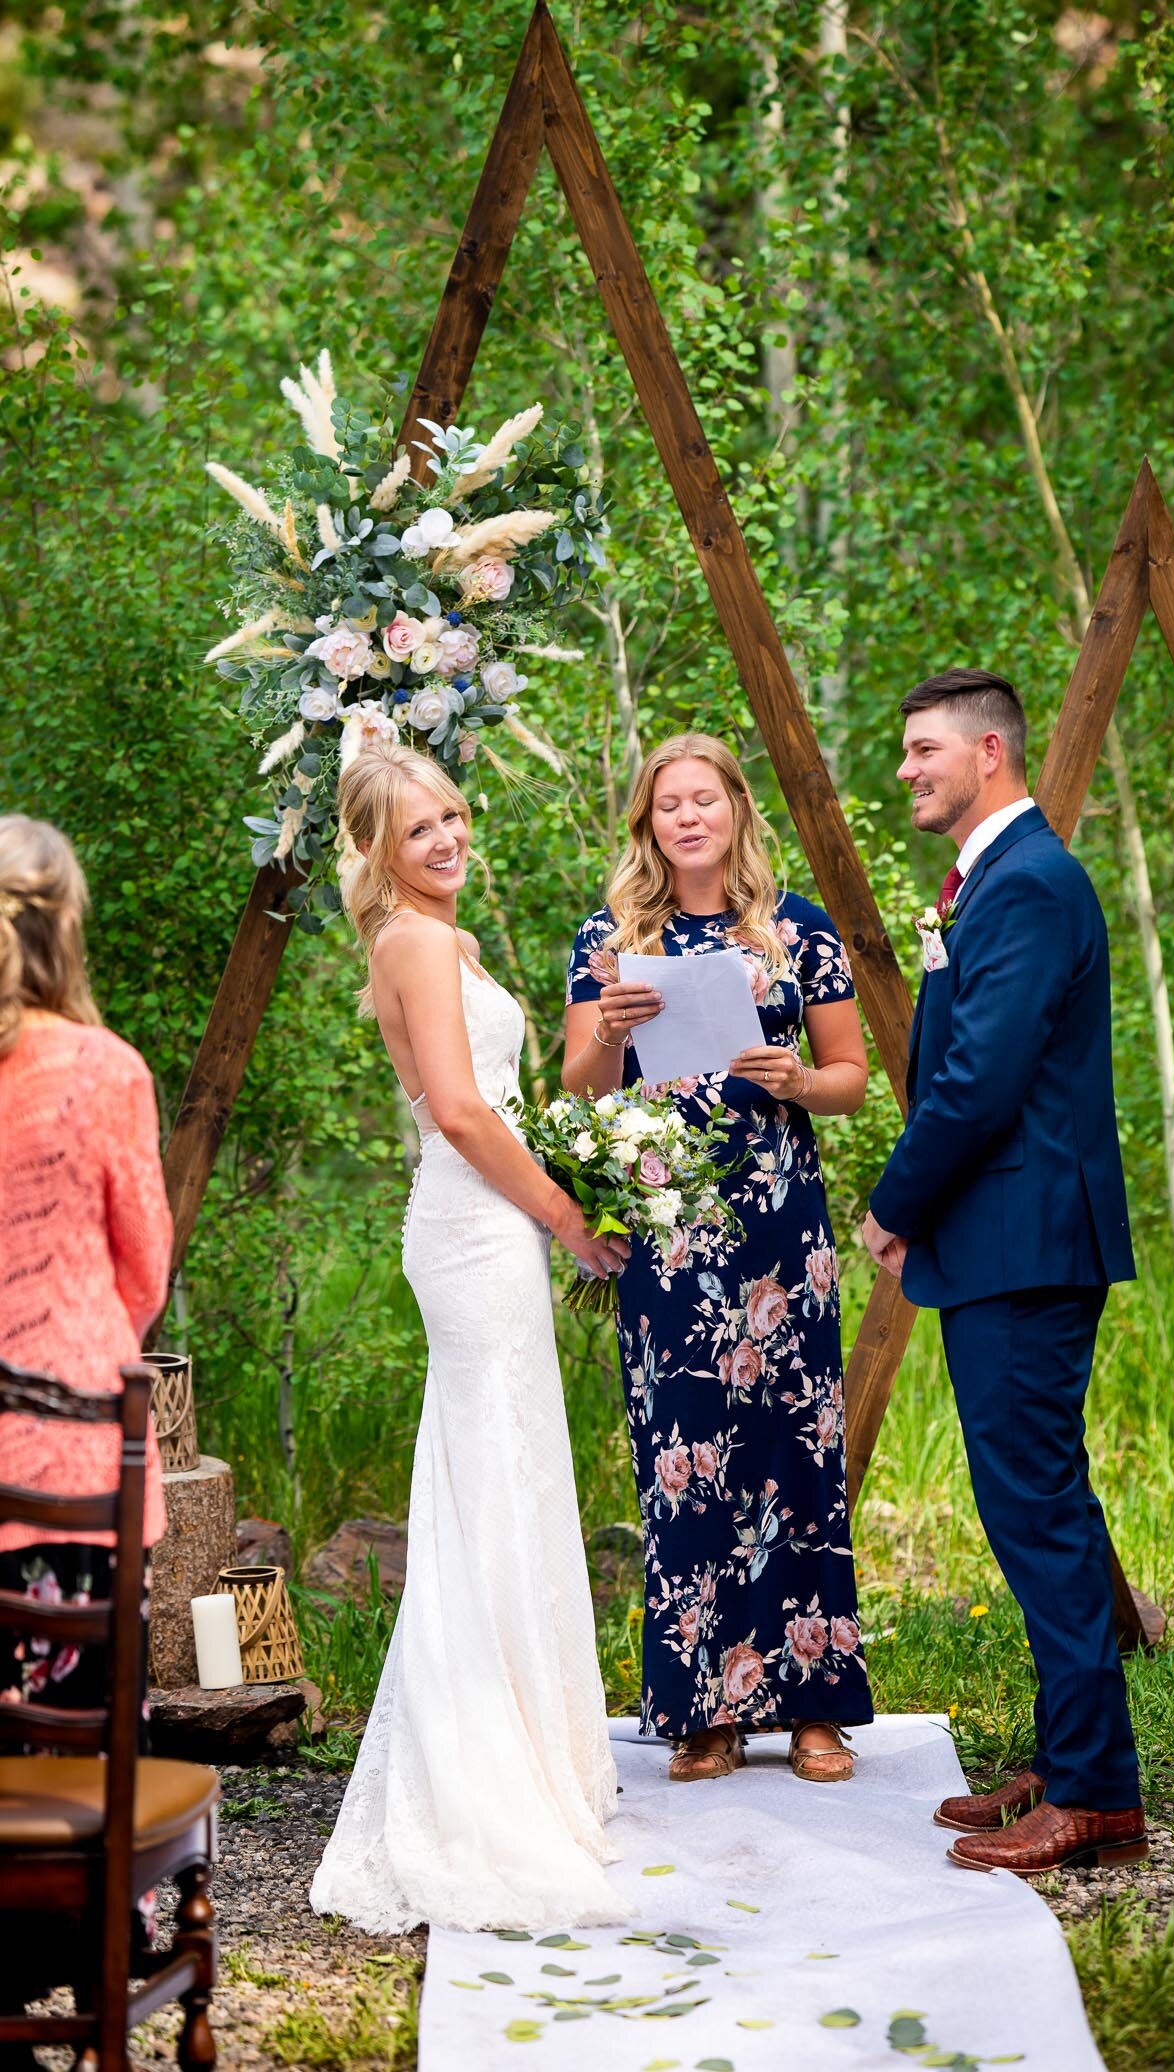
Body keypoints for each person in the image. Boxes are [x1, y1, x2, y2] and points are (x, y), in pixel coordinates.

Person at [309, 746, 631, 1934]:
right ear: (379, 854)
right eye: (417, 829)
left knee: (505, 1477)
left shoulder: (438, 939)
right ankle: (484, 1777)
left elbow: (508, 1093)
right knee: (490, 1484)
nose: (447, 837)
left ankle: (530, 1753)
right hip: (477, 1227)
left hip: (479, 1223)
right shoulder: (417, 941)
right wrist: (563, 1213)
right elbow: (456, 1110)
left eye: (452, 813)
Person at [861, 671, 1146, 1876]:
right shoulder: (999, 878)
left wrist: (891, 1204)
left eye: (922, 750)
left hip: (1021, 1241)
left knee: (1035, 1506)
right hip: (1006, 1242)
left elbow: (974, 1082)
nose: (906, 770)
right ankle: (1060, 1752)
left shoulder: (1026, 884)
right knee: (1027, 1502)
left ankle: (1093, 1797)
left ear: (989, 752)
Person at [564, 733, 873, 1783]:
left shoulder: (799, 931)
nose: (687, 817)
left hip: (780, 1223)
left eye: (704, 799)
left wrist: (792, 1077)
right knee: (685, 1459)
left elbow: (851, 1077)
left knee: (795, 1450)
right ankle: (703, 1710)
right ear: (647, 824)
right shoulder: (608, 939)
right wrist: (607, 1025)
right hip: (668, 1225)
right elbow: (580, 1089)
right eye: (667, 805)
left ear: (737, 809)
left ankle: (814, 1708)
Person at [0, 814, 171, 1709]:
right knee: (86, 1751)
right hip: (79, 1461)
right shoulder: (104, 1072)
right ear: (63, 926)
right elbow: (143, 1272)